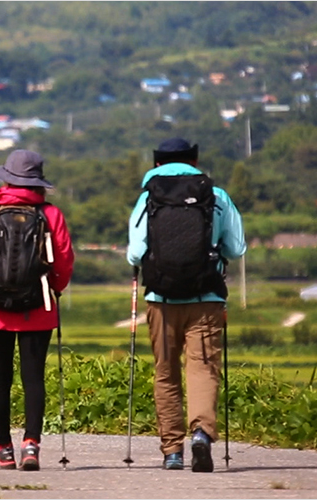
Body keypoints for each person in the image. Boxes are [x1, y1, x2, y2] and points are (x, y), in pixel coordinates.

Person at [126, 138, 245, 472]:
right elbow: (236, 249)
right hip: (206, 298)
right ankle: (201, 435)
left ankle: (172, 451)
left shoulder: (148, 197)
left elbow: (135, 253)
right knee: (203, 368)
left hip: (161, 301)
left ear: (157, 163)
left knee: (166, 373)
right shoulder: (216, 196)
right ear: (194, 160)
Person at [0, 149, 74, 471]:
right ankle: (31, 445)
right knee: (33, 379)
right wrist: (54, 288)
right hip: (38, 307)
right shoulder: (51, 215)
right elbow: (63, 262)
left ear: (7, 178)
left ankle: (3, 448)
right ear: (38, 181)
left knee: (0, 380)